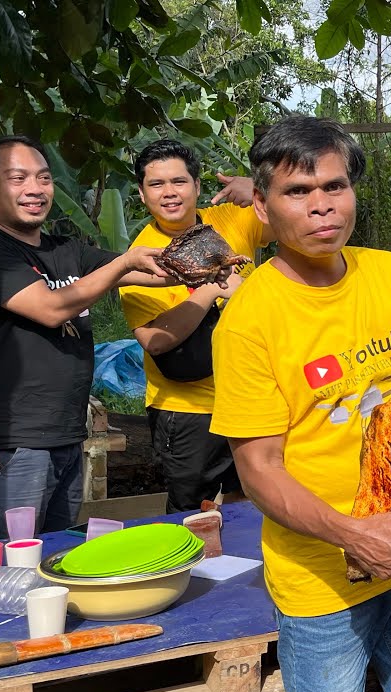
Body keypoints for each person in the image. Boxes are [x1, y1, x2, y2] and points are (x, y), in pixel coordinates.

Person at [209, 116, 391, 692]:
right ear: (263, 205)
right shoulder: (248, 321)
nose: (321, 206)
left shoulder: (386, 273)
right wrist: (356, 536)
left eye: (335, 186)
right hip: (320, 577)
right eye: (298, 192)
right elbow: (258, 472)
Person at [0, 135, 179, 542]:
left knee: (53, 550)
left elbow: (149, 272)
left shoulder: (66, 250)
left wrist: (205, 262)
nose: (35, 189)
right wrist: (125, 259)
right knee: (7, 556)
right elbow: (51, 308)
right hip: (11, 441)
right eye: (18, 178)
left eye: (43, 177)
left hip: (66, 434)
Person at [118, 139, 270, 513]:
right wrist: (214, 287)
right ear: (141, 195)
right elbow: (154, 340)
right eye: (156, 185)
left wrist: (257, 187)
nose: (169, 193)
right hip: (187, 408)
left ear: (197, 187)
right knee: (191, 511)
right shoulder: (141, 257)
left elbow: (297, 211)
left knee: (253, 499)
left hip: (251, 396)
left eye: (179, 181)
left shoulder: (231, 219)